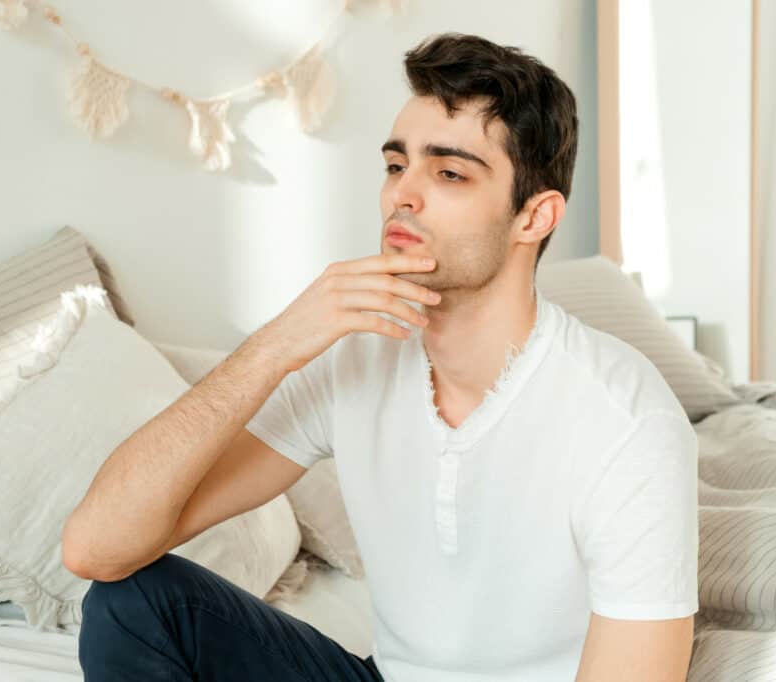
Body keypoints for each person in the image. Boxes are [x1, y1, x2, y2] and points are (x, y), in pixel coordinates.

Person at [64, 31, 699, 682]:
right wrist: (276, 346)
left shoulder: (624, 417)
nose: (403, 194)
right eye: (397, 165)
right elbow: (97, 549)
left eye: (449, 172)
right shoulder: (352, 360)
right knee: (133, 601)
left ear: (533, 217)